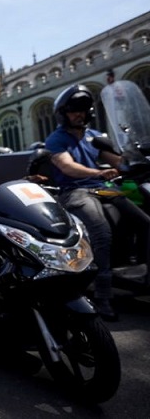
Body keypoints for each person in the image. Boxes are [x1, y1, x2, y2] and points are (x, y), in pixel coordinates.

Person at [45, 84, 150, 322]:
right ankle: (103, 298)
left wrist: (133, 158)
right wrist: (98, 172)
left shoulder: (95, 137)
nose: (79, 114)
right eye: (74, 110)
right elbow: (67, 166)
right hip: (75, 191)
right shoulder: (56, 139)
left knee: (145, 222)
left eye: (82, 109)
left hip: (104, 190)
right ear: (64, 113)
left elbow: (119, 160)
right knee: (101, 233)